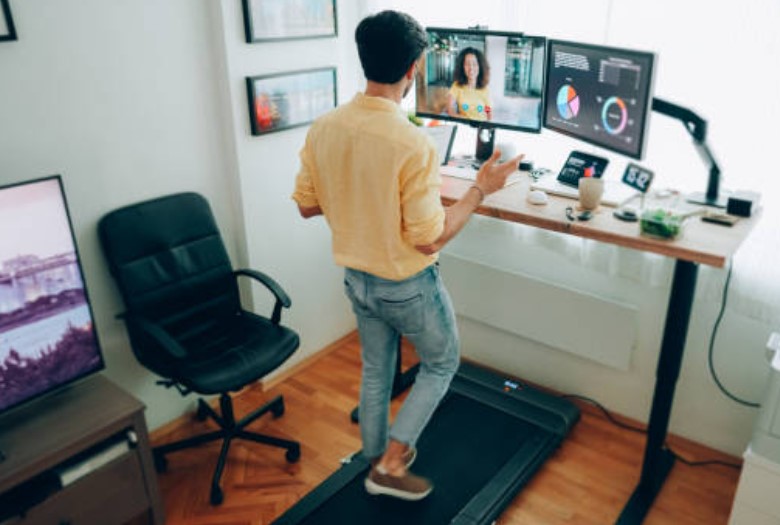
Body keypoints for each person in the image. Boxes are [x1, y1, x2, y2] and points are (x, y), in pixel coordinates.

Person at [292, 10, 522, 501]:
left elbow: (308, 206)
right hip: (406, 286)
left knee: (377, 370)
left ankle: (374, 458)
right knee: (441, 363)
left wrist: (356, 197)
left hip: (357, 279)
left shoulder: (324, 127)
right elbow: (429, 239)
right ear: (415, 67)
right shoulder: (412, 143)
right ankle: (392, 464)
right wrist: (480, 188)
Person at [447, 47, 492, 121]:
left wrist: (488, 122)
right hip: (465, 126)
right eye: (467, 64)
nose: (471, 68)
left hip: (480, 126)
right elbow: (450, 108)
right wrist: (459, 118)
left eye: (474, 64)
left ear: (480, 67)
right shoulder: (457, 86)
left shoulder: (485, 89)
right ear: (462, 67)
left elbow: (488, 110)